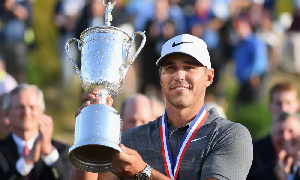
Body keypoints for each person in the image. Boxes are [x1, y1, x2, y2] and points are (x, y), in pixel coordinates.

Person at [71, 34, 253, 179]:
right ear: (160, 77)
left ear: (209, 77)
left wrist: (144, 173)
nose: (179, 75)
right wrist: (91, 136)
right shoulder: (132, 139)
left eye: (189, 67)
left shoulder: (229, 135)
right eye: (171, 68)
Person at [0, 83, 72, 180]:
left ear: (41, 112)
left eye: (32, 107)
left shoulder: (62, 151)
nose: (26, 112)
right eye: (20, 107)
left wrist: (48, 152)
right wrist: (27, 161)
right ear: (7, 113)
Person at [248, 81, 300, 179]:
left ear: (297, 105)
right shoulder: (254, 151)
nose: (284, 109)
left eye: (288, 103)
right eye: (278, 103)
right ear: (270, 106)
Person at [249, 111, 300, 179]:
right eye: (280, 132)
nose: (285, 137)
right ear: (272, 139)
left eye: (291, 131)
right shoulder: (258, 176)